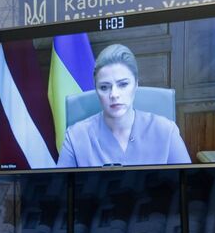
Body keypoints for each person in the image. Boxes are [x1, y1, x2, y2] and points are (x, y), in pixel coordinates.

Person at [56, 44, 191, 168]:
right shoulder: (75, 136)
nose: (114, 94)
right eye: (104, 87)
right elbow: (61, 186)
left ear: (136, 84)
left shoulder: (166, 131)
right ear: (96, 90)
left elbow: (186, 183)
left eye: (123, 84)